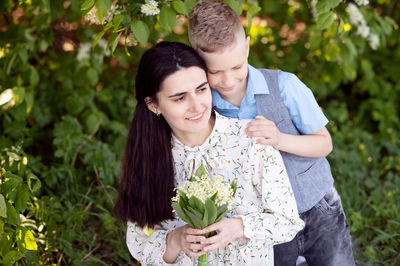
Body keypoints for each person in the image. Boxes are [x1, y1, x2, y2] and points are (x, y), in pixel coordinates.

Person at [188, 1, 355, 266]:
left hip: (316, 208)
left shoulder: (285, 87)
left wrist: (280, 139)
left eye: (236, 67)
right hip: (264, 220)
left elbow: (324, 144)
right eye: (215, 72)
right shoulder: (205, 109)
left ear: (247, 48)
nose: (228, 81)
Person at [114, 41, 304, 265]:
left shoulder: (250, 140)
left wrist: (239, 227)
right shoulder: (148, 157)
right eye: (180, 98)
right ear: (153, 105)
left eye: (201, 89)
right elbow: (138, 245)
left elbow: (288, 222)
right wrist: (174, 240)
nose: (197, 106)